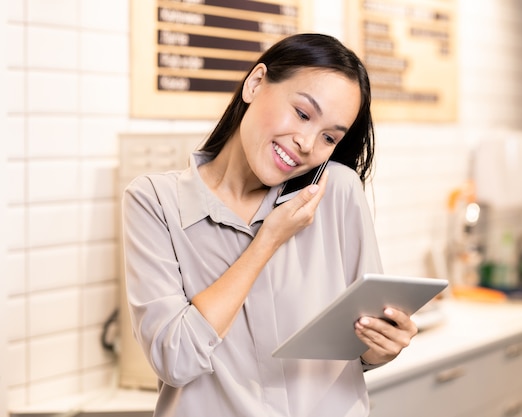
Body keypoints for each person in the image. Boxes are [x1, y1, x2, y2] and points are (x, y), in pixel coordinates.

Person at [122, 33, 418, 417]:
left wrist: (380, 346)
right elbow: (175, 359)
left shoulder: (336, 191)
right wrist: (268, 240)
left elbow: (361, 339)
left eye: (329, 136)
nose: (307, 143)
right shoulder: (154, 203)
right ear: (256, 83)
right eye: (302, 113)